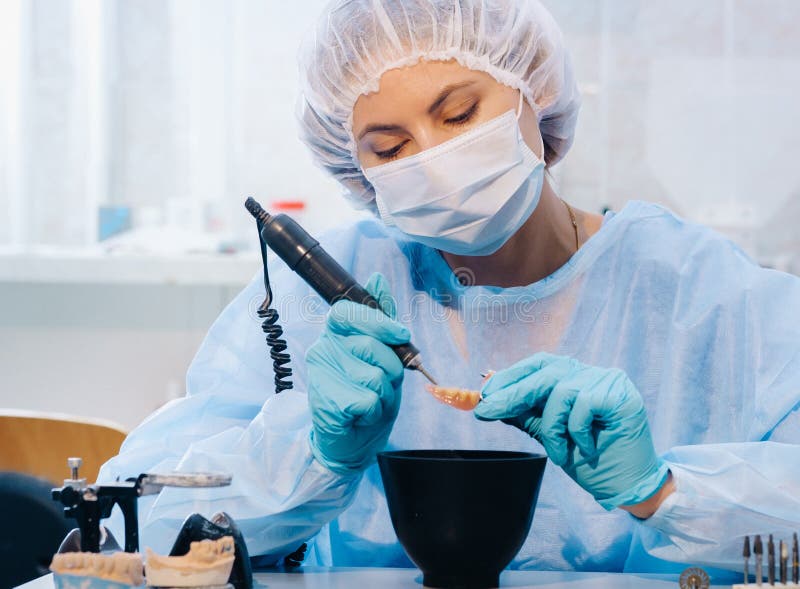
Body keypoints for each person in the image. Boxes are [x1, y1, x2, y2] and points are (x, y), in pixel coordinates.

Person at [98, 0, 800, 579]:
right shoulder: (322, 295)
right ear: (354, 168)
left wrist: (667, 491)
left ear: (535, 90)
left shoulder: (693, 291)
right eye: (390, 147)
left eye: (460, 114)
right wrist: (311, 454)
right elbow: (130, 519)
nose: (435, 161)